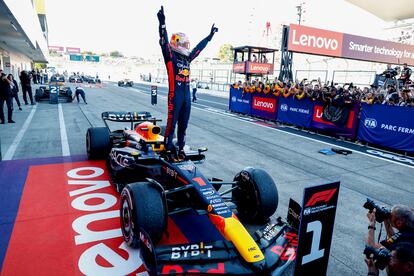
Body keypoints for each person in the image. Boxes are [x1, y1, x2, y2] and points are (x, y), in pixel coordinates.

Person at [157, 5, 217, 160]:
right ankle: (168, 151)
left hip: (186, 98)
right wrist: (162, 24)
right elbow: (163, 41)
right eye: (183, 44)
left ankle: (181, 149)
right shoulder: (171, 57)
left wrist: (209, 37)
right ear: (176, 44)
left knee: (183, 127)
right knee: (171, 127)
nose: (186, 47)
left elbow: (198, 48)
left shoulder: (187, 58)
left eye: (186, 44)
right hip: (174, 97)